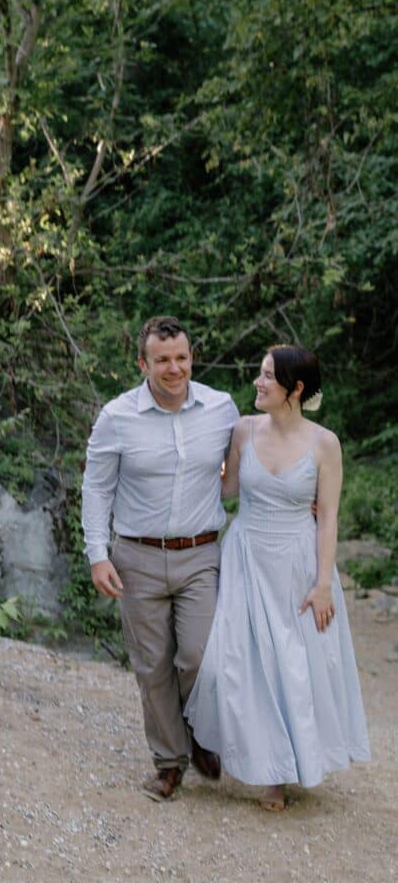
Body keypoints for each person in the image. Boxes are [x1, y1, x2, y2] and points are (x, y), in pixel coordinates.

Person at [184, 345, 371, 811]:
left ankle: (286, 770)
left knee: (293, 664)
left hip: (297, 564)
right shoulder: (243, 430)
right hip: (246, 557)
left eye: (268, 376)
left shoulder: (324, 443)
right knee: (244, 663)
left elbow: (327, 517)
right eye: (260, 374)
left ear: (296, 388)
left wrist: (323, 583)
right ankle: (263, 768)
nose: (258, 383)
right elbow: (223, 488)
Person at [81, 315, 239, 800]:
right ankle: (169, 763)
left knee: (199, 657)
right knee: (153, 666)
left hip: (201, 554)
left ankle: (200, 732)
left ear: (191, 358)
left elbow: (261, 454)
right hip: (137, 557)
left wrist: (307, 492)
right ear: (143, 363)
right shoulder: (117, 416)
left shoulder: (221, 408)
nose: (174, 369)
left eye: (182, 358)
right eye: (163, 360)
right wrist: (97, 554)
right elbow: (96, 486)